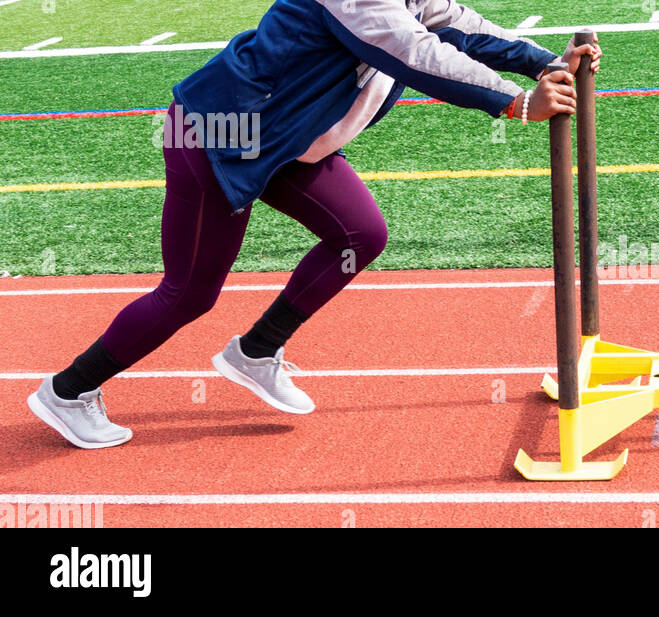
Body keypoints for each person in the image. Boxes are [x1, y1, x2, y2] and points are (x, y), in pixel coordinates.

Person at [26, 0, 601, 448]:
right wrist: (515, 102)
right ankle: (68, 391)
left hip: (284, 142)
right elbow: (411, 51)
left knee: (360, 234)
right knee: (189, 294)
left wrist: (543, 60)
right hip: (221, 136)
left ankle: (255, 352)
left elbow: (456, 24)